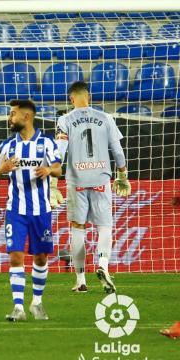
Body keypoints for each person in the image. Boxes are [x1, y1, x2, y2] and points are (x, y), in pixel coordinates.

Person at [0, 99, 62, 321]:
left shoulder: (47, 143)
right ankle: (18, 307)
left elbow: (59, 168)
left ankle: (37, 303)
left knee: (40, 257)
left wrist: (48, 169)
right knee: (15, 255)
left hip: (41, 210)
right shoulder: (7, 146)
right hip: (16, 210)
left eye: (13, 114)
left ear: (26, 117)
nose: (10, 118)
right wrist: (2, 168)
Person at [55, 81, 131, 294]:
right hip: (101, 180)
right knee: (104, 226)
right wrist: (122, 175)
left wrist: (53, 179)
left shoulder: (65, 119)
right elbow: (117, 150)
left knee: (78, 228)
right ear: (88, 97)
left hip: (76, 182)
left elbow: (59, 152)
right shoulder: (106, 118)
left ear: (71, 99)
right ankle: (103, 265)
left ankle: (80, 281)